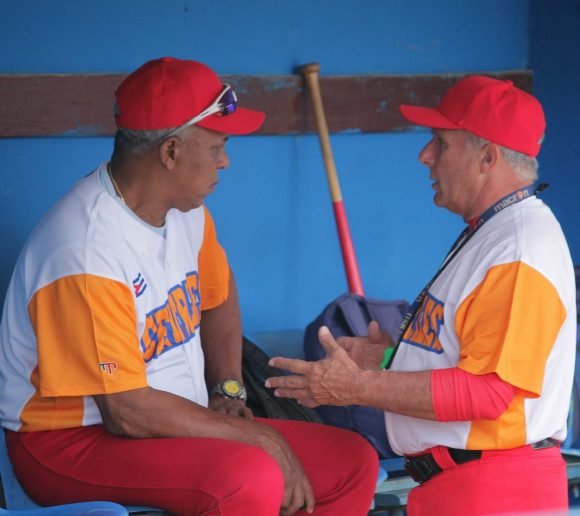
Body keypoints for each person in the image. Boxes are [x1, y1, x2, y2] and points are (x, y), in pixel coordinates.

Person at [0, 57, 379, 515]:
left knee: (351, 461)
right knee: (246, 477)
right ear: (171, 151)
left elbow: (218, 300)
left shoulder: (186, 212)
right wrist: (258, 434)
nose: (226, 160)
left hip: (175, 421)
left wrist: (229, 389)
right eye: (218, 144)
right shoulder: (84, 250)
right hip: (69, 442)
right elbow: (126, 411)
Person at [266, 75, 577, 515]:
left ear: (487, 157)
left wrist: (358, 386)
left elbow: (487, 393)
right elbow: (464, 360)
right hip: (461, 487)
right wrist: (391, 361)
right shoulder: (492, 232)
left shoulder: (519, 249)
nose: (425, 156)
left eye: (441, 143)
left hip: (497, 493)